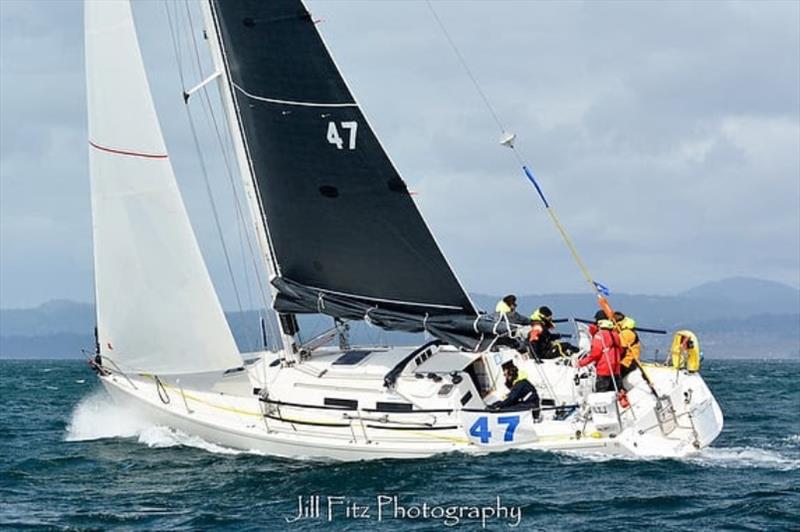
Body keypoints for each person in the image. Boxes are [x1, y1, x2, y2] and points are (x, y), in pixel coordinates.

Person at [577, 310, 622, 392]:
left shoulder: (600, 335)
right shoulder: (615, 334)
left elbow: (594, 354)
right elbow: (620, 350)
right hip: (616, 370)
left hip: (604, 370)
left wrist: (580, 363)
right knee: (615, 394)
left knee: (602, 396)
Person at [614, 311, 641, 380]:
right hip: (631, 361)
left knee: (615, 378)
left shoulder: (626, 333)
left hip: (627, 362)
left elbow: (621, 349)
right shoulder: (629, 331)